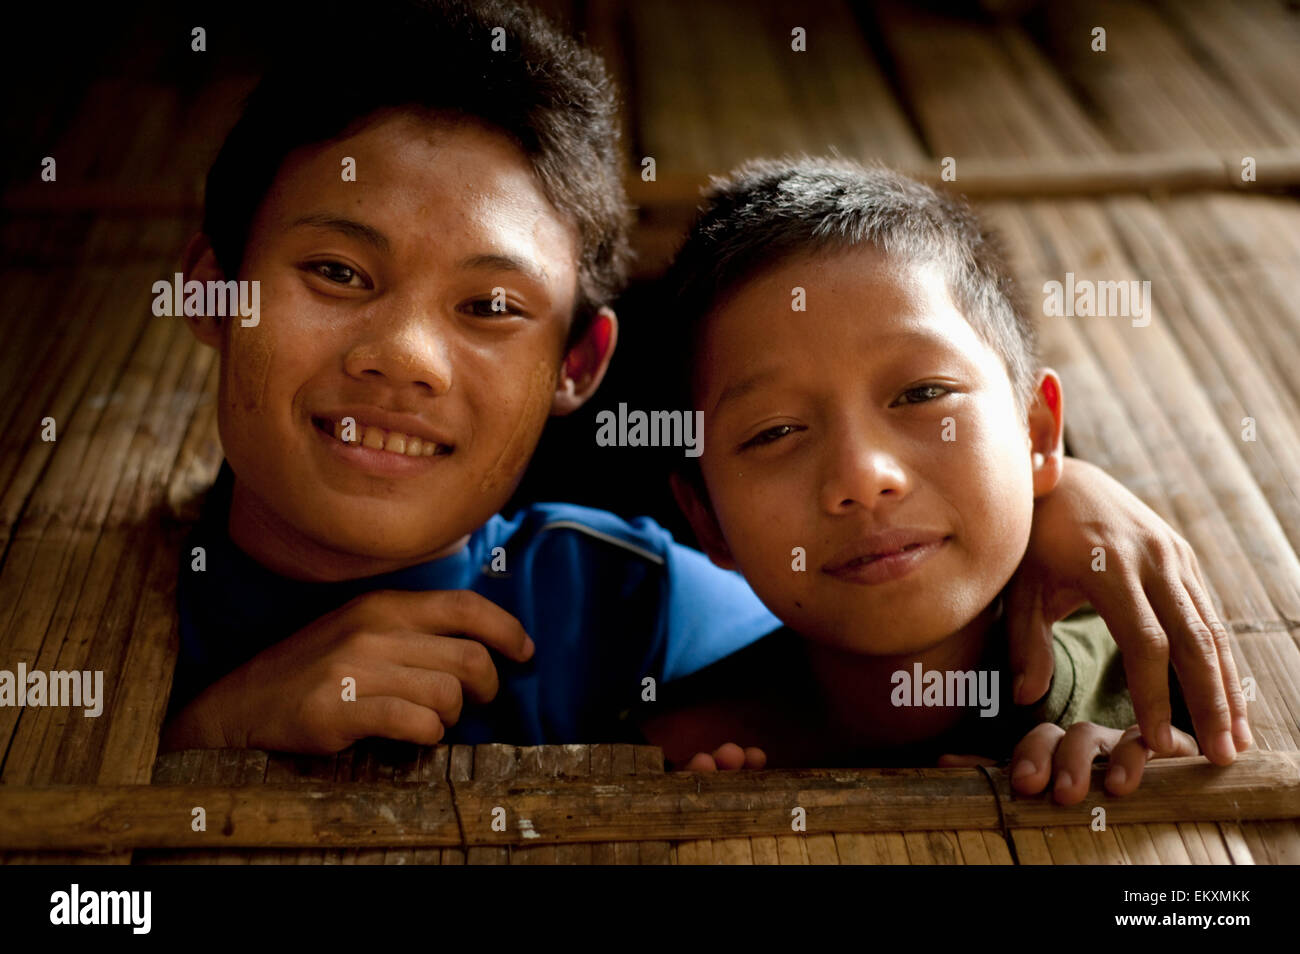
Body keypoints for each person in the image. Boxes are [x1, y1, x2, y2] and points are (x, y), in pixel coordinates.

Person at [162, 1, 1247, 767]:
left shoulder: (628, 599)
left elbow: (881, 648)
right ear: (210, 295)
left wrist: (1054, 507)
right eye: (338, 273)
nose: (402, 354)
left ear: (577, 366)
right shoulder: (76, 604)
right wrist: (205, 738)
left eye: (491, 308)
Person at [639, 159, 1241, 802]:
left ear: (1037, 434)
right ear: (706, 519)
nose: (864, 478)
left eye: (923, 392)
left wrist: (1151, 786)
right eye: (775, 432)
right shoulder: (666, 754)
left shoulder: (1163, 673)